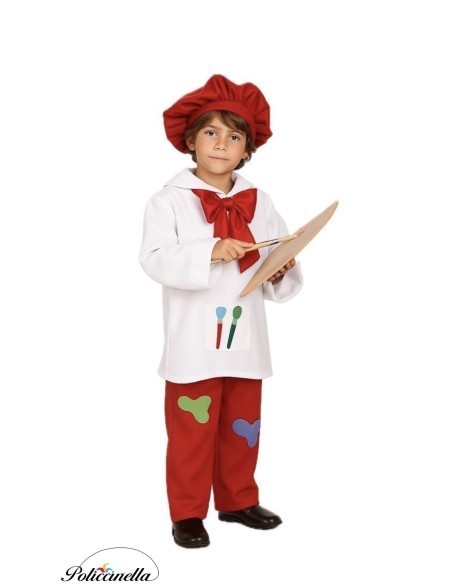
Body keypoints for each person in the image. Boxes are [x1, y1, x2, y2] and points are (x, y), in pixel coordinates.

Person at [139, 74, 303, 548]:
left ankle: (237, 499)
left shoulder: (260, 201)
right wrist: (209, 251)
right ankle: (188, 512)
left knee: (242, 427)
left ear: (247, 149)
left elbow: (278, 254)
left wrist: (280, 269)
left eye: (234, 137)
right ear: (190, 139)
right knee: (191, 431)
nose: (221, 144)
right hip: (193, 341)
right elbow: (153, 259)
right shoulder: (167, 201)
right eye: (211, 132)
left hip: (245, 338)